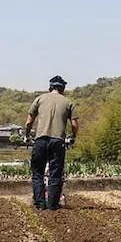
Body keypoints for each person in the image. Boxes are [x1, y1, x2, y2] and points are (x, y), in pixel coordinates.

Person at [25, 75, 79, 210]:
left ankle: (39, 204)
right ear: (63, 88)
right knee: (55, 173)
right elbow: (74, 124)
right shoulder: (68, 102)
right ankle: (53, 205)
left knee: (38, 173)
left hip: (40, 140)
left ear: (50, 87)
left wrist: (27, 134)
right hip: (58, 141)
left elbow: (29, 121)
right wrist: (73, 136)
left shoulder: (39, 99)